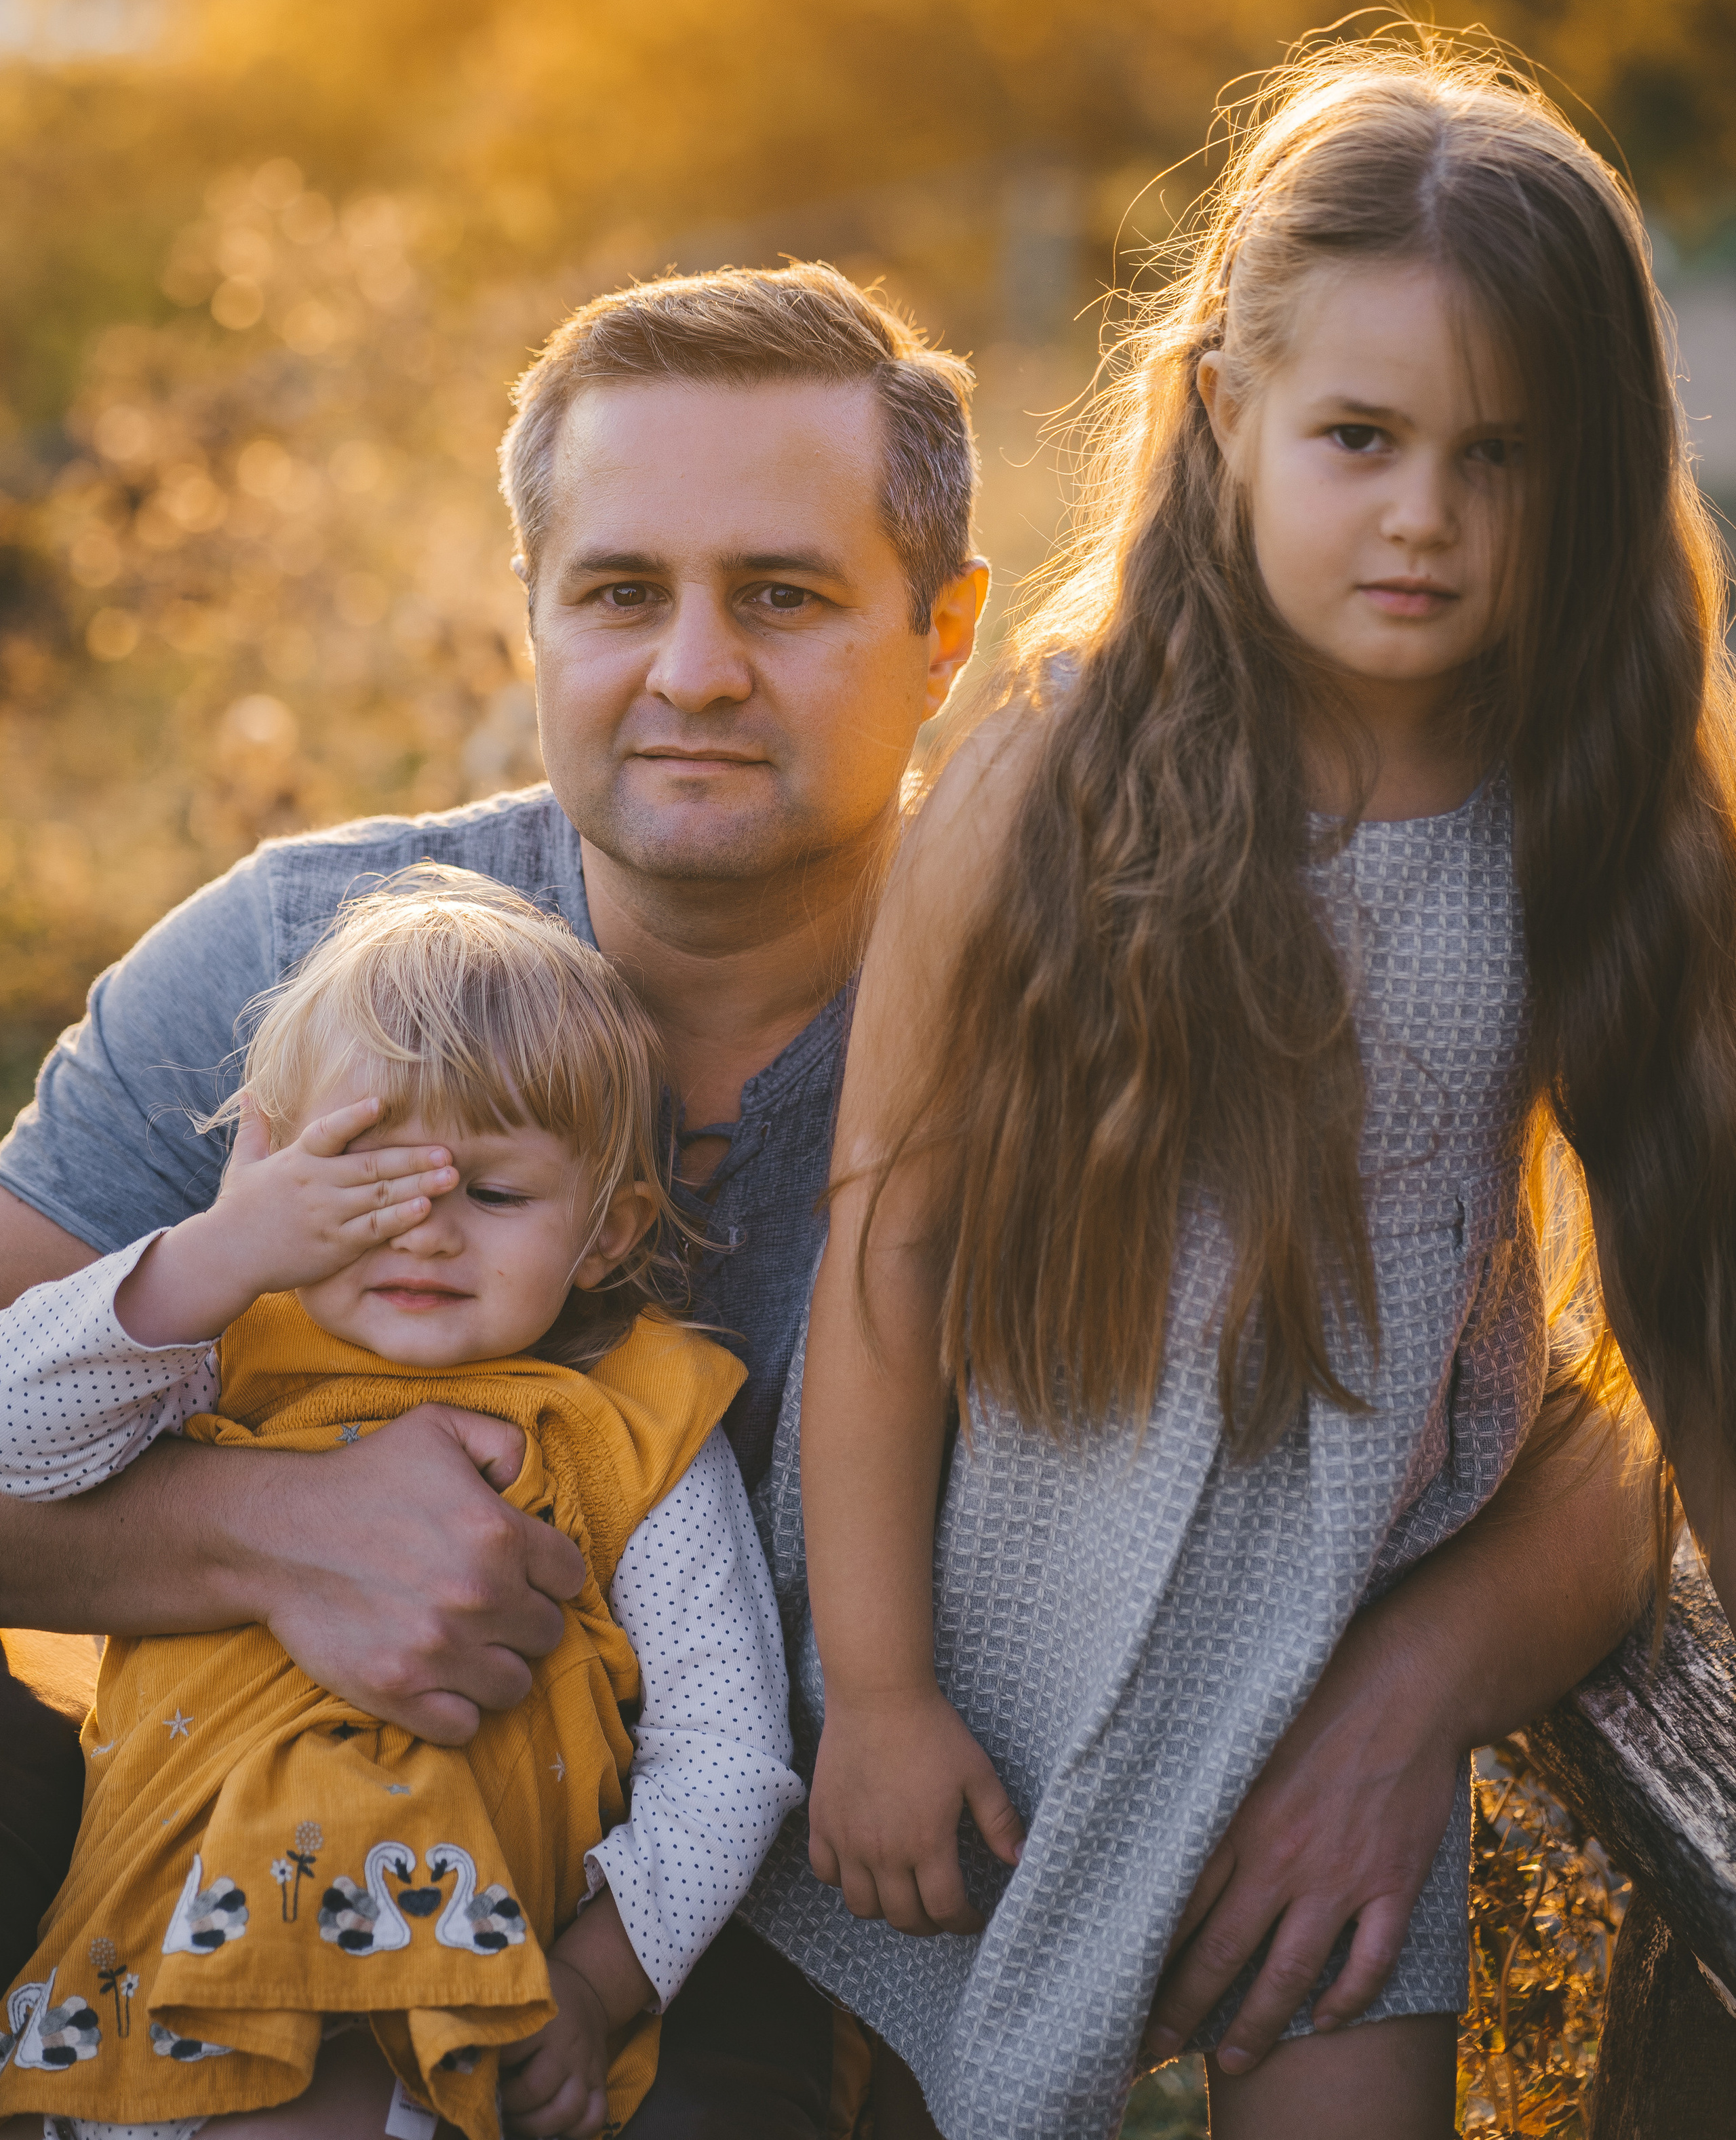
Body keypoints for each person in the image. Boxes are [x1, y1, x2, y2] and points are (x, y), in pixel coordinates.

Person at [0, 258, 1655, 2136]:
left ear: (946, 636)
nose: (692, 670)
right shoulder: (303, 970)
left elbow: (1589, 1410)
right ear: (531, 617)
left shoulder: (1110, 995)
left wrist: (1407, 1692)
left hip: (741, 1944)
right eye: (621, 594)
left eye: (781, 598)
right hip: (216, 1858)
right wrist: (254, 1536)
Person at [741, 43, 1715, 2139]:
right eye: (1361, 437)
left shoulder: (1600, 813)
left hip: (1330, 1650)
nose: (1430, 520)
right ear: (1226, 415)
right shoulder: (1048, 779)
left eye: (1508, 458)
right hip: (1000, 1639)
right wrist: (885, 1694)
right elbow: (887, 1255)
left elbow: (1683, 1294)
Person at [0, 867, 804, 2140]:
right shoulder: (216, 1352)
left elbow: (729, 1758)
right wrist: (219, 1250)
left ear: (606, 1232)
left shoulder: (635, 1419)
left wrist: (597, 1990)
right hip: (144, 1973)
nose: (423, 1235)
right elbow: (12, 1440)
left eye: (491, 1195)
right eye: (364, 1187)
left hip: (439, 2017)